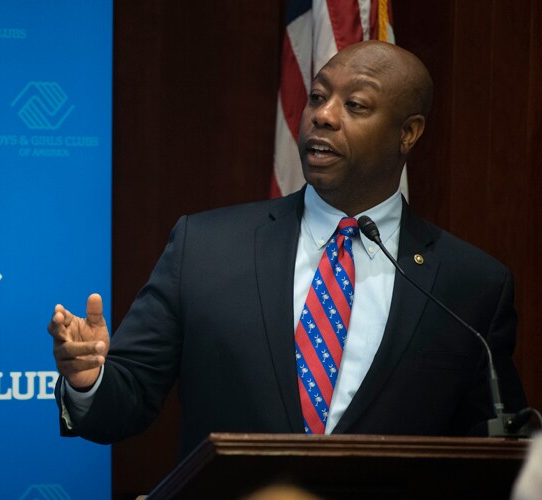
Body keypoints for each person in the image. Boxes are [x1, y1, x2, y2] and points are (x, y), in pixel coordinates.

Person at [48, 40, 526, 457]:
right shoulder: (206, 248)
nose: (323, 115)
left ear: (409, 133)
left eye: (355, 105)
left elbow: (494, 449)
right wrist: (88, 380)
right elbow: (124, 402)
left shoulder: (471, 284)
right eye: (317, 97)